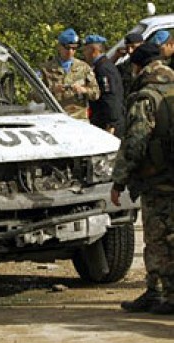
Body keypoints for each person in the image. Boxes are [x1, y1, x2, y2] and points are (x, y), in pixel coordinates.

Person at [111, 43, 174, 314]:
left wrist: (119, 180)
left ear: (138, 66)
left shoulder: (145, 97)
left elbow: (135, 142)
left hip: (158, 179)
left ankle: (158, 293)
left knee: (158, 238)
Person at [38, 28, 100, 120]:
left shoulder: (84, 67)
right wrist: (52, 90)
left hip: (79, 119)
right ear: (59, 47)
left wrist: (83, 90)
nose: (70, 51)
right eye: (67, 47)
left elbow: (96, 94)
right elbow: (33, 96)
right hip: (54, 118)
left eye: (74, 48)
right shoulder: (46, 68)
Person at [82, 35, 124, 137]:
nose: (84, 54)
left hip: (107, 124)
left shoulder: (103, 69)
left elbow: (110, 96)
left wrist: (111, 123)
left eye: (85, 50)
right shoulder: (102, 65)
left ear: (93, 50)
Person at [112, 33, 144, 100]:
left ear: (142, 45)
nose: (130, 51)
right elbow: (108, 71)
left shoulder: (148, 63)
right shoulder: (126, 65)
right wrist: (116, 57)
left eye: (133, 47)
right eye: (127, 48)